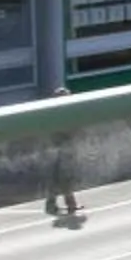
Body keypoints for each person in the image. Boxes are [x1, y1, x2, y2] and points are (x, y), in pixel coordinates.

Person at [44, 85, 84, 224]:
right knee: (64, 176)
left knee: (58, 176)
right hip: (61, 147)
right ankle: (69, 204)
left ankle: (51, 203)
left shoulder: (61, 111)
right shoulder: (59, 112)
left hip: (61, 146)